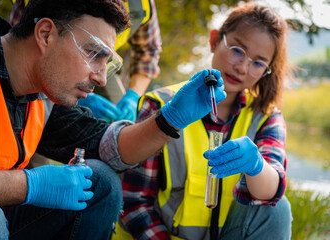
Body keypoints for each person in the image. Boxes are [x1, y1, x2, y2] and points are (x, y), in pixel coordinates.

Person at [0, 0, 226, 239]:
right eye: (93, 54)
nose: (102, 80)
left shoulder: (43, 95)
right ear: (46, 34)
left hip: (2, 219)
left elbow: (109, 147)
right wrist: (29, 186)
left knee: (99, 181)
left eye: (108, 63)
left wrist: (170, 118)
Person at [117, 3, 293, 240]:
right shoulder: (161, 105)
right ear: (214, 41)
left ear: (266, 71)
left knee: (278, 209)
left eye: (258, 63)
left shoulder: (266, 116)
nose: (242, 66)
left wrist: (257, 166)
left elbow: (271, 192)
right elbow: (134, 200)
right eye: (237, 50)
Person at [10, 0, 162, 123]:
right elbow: (19, 44)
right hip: (46, 53)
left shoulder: (142, 5)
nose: (101, 81)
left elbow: (149, 51)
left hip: (101, 61)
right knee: (33, 110)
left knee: (117, 124)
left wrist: (133, 96)